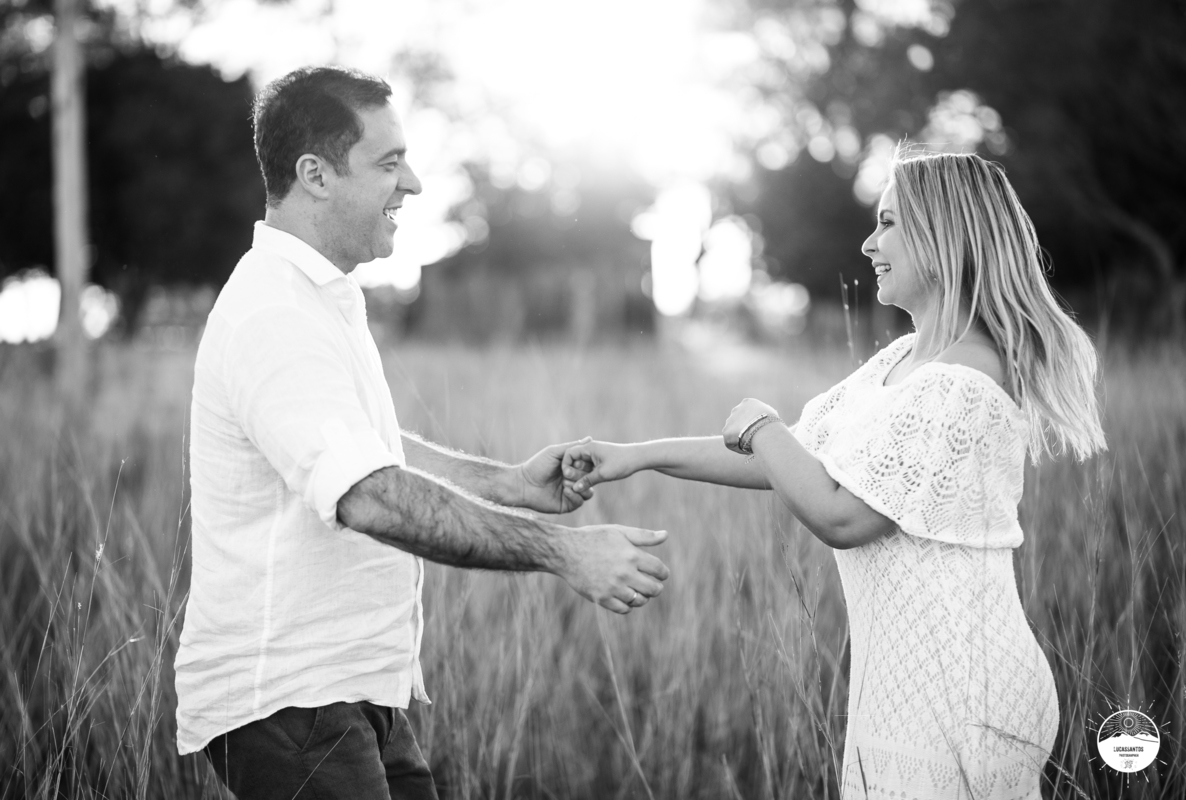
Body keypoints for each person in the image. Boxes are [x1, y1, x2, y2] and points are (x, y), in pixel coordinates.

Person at [174, 66, 670, 800]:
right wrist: (563, 552)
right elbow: (369, 494)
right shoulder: (274, 313)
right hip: (290, 702)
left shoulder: (320, 297)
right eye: (388, 162)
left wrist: (509, 484)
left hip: (353, 691)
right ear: (315, 175)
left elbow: (367, 450)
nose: (412, 183)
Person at [562, 151, 1106, 799]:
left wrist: (762, 424)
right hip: (907, 692)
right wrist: (635, 455)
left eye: (888, 223)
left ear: (943, 235)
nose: (869, 243)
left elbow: (841, 516)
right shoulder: (904, 361)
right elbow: (795, 460)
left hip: (960, 695)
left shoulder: (964, 380)